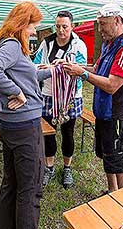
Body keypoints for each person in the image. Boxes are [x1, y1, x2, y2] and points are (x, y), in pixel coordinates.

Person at [0, 1, 52, 229]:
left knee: (11, 182)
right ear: (23, 23)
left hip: (10, 124)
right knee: (30, 189)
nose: (34, 32)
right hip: (24, 127)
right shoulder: (11, 46)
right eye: (33, 26)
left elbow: (26, 77)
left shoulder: (5, 43)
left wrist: (53, 70)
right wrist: (15, 91)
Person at [63, 3, 123, 192]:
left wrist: (82, 73)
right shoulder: (109, 45)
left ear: (117, 21)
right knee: (108, 157)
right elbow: (97, 70)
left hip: (117, 116)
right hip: (104, 114)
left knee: (119, 162)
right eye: (98, 24)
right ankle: (112, 193)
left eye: (103, 24)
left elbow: (112, 85)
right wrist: (74, 67)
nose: (100, 30)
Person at [34, 11, 87, 189]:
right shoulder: (47, 43)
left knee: (68, 132)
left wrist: (55, 67)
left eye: (64, 26)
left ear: (72, 26)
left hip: (71, 96)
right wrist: (55, 68)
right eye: (58, 26)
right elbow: (36, 65)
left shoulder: (79, 45)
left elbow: (79, 69)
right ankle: (49, 167)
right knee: (48, 132)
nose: (61, 30)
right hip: (48, 94)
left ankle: (67, 168)